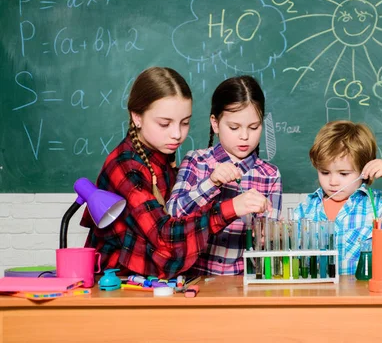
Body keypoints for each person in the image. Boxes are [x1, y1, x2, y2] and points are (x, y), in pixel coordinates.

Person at [80, 67, 268, 279]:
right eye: (164, 123)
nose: (177, 134)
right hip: (116, 285)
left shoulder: (162, 156)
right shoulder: (125, 166)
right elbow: (165, 237)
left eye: (185, 122)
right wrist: (231, 207)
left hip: (155, 283)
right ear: (137, 117)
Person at [167, 75, 282, 275]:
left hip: (243, 282)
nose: (245, 136)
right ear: (215, 123)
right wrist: (211, 183)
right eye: (234, 127)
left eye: (254, 127)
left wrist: (268, 233)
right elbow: (173, 215)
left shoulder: (269, 175)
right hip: (195, 280)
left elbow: (271, 245)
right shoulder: (197, 161)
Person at [293, 120, 382, 275]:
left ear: (364, 170)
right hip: (318, 296)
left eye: (344, 174)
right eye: (325, 172)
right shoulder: (306, 209)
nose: (333, 182)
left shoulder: (377, 205)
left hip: (364, 295)